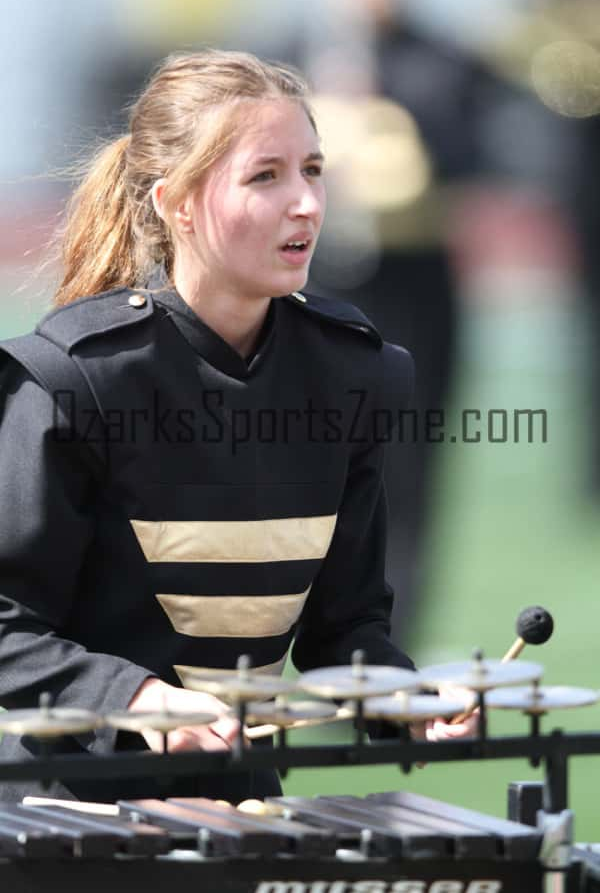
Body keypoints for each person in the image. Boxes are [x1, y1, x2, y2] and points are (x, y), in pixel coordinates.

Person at [0, 50, 475, 804]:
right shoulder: (75, 378)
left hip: (243, 807)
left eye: (313, 171)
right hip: (66, 812)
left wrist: (406, 703)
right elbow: (7, 629)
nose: (308, 204)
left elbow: (344, 626)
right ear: (176, 203)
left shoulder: (354, 375)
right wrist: (140, 699)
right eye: (266, 177)